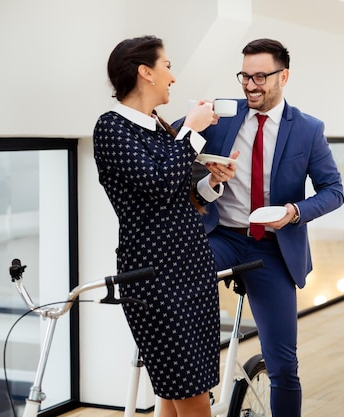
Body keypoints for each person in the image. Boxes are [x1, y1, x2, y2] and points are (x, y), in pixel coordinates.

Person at [190, 38, 344, 416]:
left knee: (284, 366)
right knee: (181, 282)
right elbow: (174, 146)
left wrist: (293, 211)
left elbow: (334, 191)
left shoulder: (307, 129)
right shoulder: (222, 117)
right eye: (245, 75)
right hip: (221, 236)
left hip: (271, 248)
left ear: (283, 76)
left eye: (261, 76)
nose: (250, 85)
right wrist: (193, 124)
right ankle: (195, 379)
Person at [93, 35, 235, 417]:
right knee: (187, 388)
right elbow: (157, 184)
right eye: (167, 66)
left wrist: (210, 183)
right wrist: (190, 130)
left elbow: (175, 199)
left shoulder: (158, 128)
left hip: (191, 268)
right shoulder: (111, 128)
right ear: (145, 72)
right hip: (154, 277)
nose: (173, 76)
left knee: (184, 388)